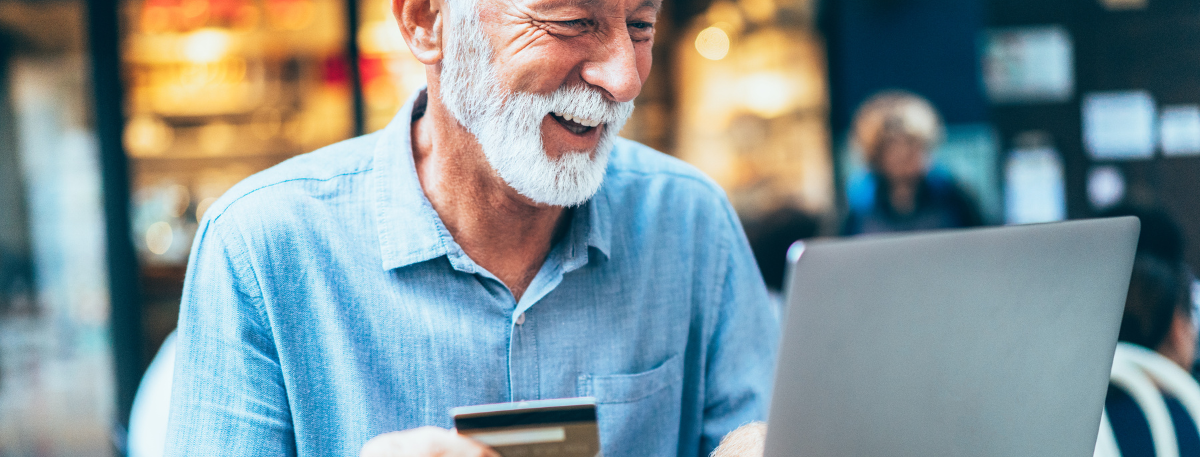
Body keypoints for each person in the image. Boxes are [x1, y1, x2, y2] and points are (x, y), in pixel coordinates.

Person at [164, 0, 778, 456]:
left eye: (640, 25)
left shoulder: (689, 219)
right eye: (570, 22)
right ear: (428, 22)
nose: (625, 79)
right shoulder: (261, 246)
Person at [840, 91, 983, 236]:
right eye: (893, 145)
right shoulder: (860, 206)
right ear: (876, 154)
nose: (905, 154)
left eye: (913, 143)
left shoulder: (953, 197)